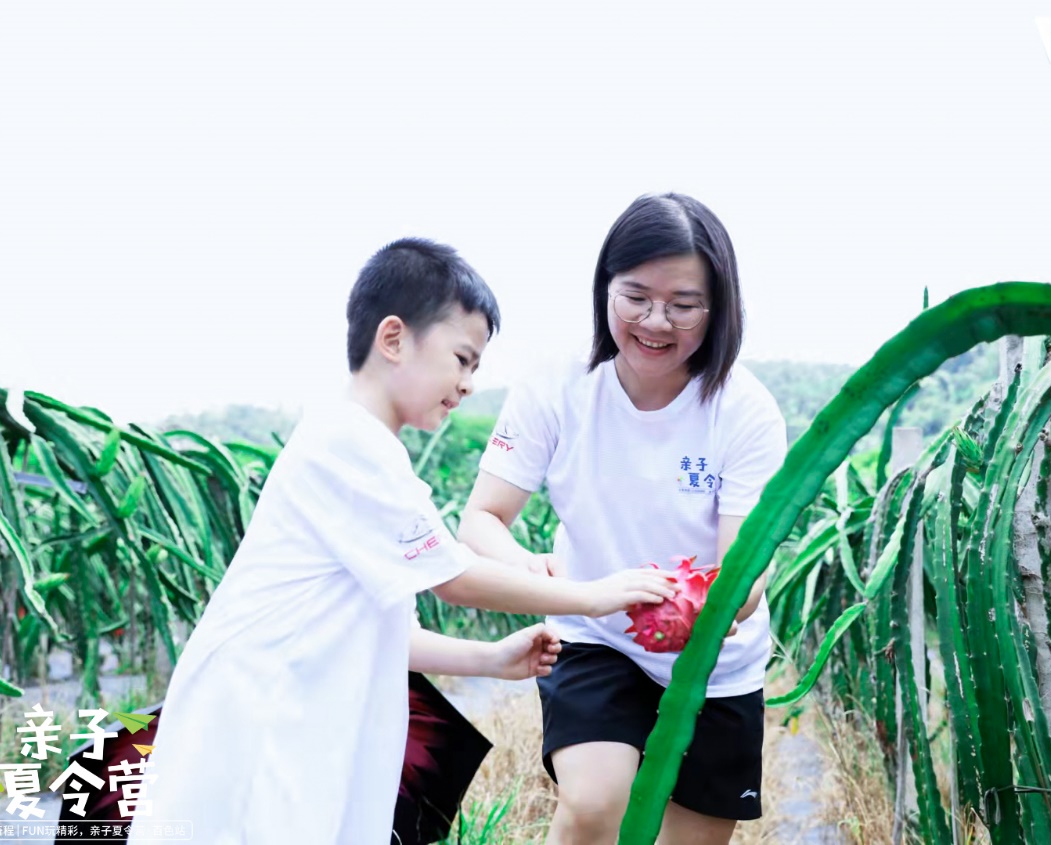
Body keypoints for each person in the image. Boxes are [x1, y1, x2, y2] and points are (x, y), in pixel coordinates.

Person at [131, 238, 677, 845]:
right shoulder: (349, 444)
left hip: (296, 714)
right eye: (463, 358)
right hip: (265, 714)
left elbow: (387, 628)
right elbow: (456, 576)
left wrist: (490, 662)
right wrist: (593, 596)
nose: (469, 383)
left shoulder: (365, 448)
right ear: (394, 339)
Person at [458, 193, 788, 845]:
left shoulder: (746, 411)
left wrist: (683, 609)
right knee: (593, 802)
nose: (656, 321)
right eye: (635, 295)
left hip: (715, 661)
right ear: (604, 286)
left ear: (719, 307)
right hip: (594, 632)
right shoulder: (557, 385)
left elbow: (745, 573)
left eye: (684, 304)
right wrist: (529, 568)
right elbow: (481, 519)